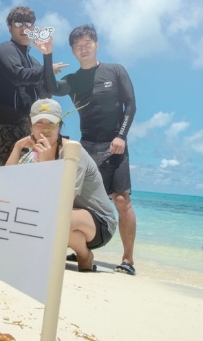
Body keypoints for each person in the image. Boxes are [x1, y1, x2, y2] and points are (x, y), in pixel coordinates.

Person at [34, 24, 138, 276]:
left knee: (121, 200)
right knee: (81, 198)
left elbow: (131, 104)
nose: (83, 49)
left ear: (96, 44)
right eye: (77, 46)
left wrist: (121, 136)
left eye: (87, 44)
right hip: (88, 146)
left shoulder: (115, 70)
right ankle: (78, 244)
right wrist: (47, 55)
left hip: (114, 144)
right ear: (73, 51)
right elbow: (51, 87)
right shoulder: (73, 80)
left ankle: (128, 259)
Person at [6, 98, 117, 272]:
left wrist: (44, 165)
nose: (45, 128)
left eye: (51, 123)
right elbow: (7, 184)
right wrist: (17, 146)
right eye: (39, 123)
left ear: (59, 126)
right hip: (66, 219)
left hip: (99, 224)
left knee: (51, 219)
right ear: (31, 127)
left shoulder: (73, 151)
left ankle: (84, 255)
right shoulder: (35, 153)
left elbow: (64, 200)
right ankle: (68, 248)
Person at [0, 6, 49, 166]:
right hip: (3, 124)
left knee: (29, 172)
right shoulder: (6, 48)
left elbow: (45, 95)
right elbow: (17, 76)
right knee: (12, 173)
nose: (24, 28)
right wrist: (47, 70)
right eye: (18, 23)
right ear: (10, 27)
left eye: (28, 24)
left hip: (26, 125)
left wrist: (48, 63)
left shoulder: (34, 61)